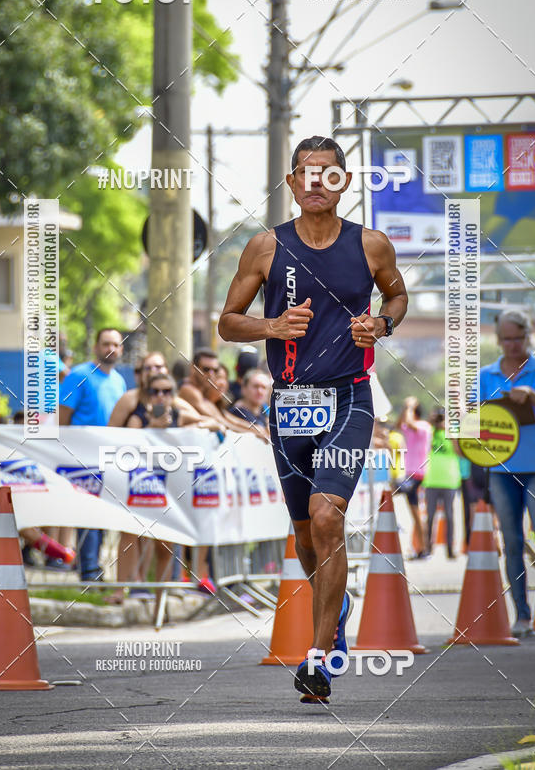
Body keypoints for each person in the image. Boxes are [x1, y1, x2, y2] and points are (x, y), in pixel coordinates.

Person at [218, 134, 408, 701]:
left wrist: (382, 324)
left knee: (328, 518)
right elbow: (227, 322)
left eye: (328, 173)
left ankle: (320, 657)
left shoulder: (371, 245)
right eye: (306, 172)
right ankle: (335, 605)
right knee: (305, 531)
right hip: (289, 402)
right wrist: (272, 326)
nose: (316, 182)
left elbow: (397, 297)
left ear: (343, 182)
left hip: (349, 397)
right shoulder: (265, 247)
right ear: (292, 182)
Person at [107, 370, 212, 601]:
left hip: (167, 488)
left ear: (173, 395)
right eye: (155, 391)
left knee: (165, 543)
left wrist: (201, 429)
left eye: (166, 391)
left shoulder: (177, 414)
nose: (161, 396)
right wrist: (152, 427)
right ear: (148, 394)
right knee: (130, 534)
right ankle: (122, 590)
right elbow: (125, 444)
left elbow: (207, 420)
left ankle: (161, 599)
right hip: (139, 483)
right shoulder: (138, 416)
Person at [480, 309, 535, 636]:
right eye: (506, 339)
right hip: (501, 468)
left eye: (518, 338)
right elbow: (472, 420)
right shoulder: (486, 375)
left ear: (527, 335)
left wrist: (532, 395)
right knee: (511, 542)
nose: (512, 344)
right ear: (498, 340)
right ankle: (522, 616)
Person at [59, 328, 127, 581]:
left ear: (121, 349)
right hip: (82, 458)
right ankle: (88, 569)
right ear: (96, 347)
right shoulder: (79, 375)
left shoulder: (119, 381)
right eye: (106, 343)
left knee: (104, 514)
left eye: (116, 344)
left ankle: (94, 566)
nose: (111, 348)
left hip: (109, 458)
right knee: (87, 512)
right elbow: (62, 417)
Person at [179, 349, 268, 440]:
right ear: (193, 368)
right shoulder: (188, 389)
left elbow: (226, 418)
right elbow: (219, 420)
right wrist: (254, 432)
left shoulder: (202, 391)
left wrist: (256, 429)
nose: (211, 374)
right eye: (206, 369)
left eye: (215, 370)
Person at [396, 397, 432, 558]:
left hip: (418, 473)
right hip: (409, 473)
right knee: (415, 512)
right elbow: (399, 424)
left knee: (417, 514)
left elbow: (409, 423)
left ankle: (424, 548)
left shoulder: (424, 426)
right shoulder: (410, 426)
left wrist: (409, 405)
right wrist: (405, 407)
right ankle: (421, 548)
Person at [423, 407, 461, 559]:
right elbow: (423, 444)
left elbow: (459, 452)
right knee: (430, 516)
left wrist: (449, 431)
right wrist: (431, 423)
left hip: (449, 480)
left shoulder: (452, 432)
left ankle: (450, 549)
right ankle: (428, 548)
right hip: (431, 480)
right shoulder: (430, 431)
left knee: (449, 516)